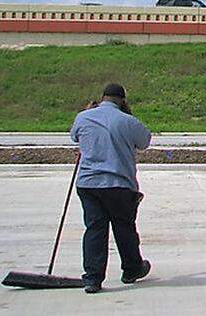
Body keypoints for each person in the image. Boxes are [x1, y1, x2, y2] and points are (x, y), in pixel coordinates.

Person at [69, 83, 153, 293]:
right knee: (124, 227)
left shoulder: (83, 117)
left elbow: (74, 136)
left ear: (102, 97)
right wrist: (128, 114)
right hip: (119, 184)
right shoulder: (127, 121)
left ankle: (93, 278)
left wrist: (89, 113)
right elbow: (145, 142)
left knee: (95, 228)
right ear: (122, 100)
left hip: (88, 183)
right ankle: (132, 268)